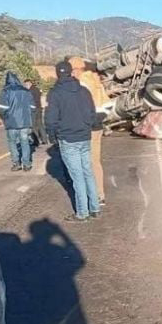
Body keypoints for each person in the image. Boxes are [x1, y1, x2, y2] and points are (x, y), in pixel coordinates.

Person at [45, 61, 101, 222]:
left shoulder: (55, 93)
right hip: (84, 136)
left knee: (77, 176)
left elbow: (50, 118)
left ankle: (82, 212)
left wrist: (52, 134)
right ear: (71, 72)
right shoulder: (83, 91)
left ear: (57, 74)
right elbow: (92, 113)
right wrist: (86, 126)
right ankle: (95, 207)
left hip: (68, 138)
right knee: (88, 172)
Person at [70, 56, 108, 205]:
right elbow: (107, 104)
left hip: (89, 125)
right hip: (98, 124)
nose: (71, 74)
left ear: (77, 69)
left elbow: (81, 107)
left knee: (88, 162)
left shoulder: (82, 83)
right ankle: (99, 193)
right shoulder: (96, 81)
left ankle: (96, 195)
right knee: (95, 161)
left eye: (72, 70)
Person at [0, 72, 36, 171]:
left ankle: (16, 163)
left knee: (12, 143)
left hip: (11, 123)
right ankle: (27, 164)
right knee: (25, 142)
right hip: (24, 122)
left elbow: (2, 108)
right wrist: (29, 116)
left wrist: (4, 118)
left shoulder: (5, 91)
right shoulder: (26, 91)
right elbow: (32, 107)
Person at [25, 79, 48, 145]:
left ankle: (36, 141)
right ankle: (45, 139)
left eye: (26, 85)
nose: (26, 86)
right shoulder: (37, 89)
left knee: (33, 126)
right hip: (39, 108)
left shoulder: (29, 92)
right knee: (40, 124)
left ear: (29, 84)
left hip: (33, 110)